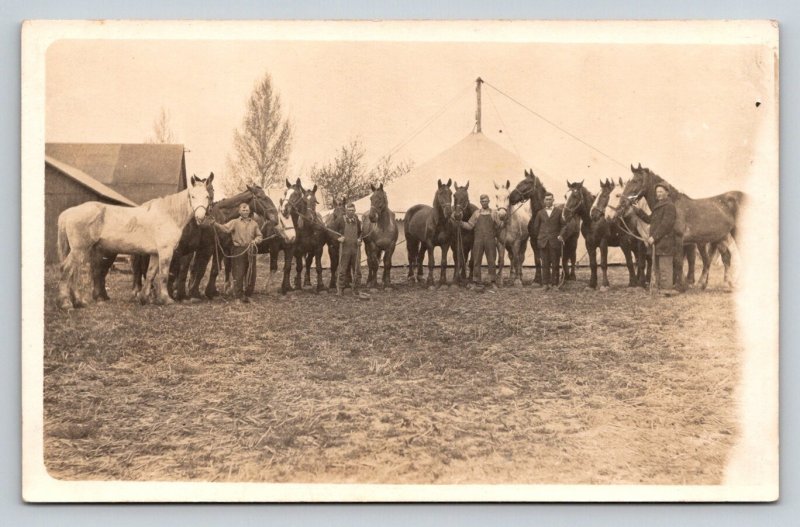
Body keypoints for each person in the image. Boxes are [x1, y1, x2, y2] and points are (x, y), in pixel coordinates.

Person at [210, 202, 262, 303]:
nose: (245, 212)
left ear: (249, 211)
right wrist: (215, 224)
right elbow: (225, 228)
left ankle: (248, 295)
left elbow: (259, 235)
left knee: (251, 274)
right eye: (243, 210)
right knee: (238, 273)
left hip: (251, 250)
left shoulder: (254, 224)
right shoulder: (234, 222)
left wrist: (256, 240)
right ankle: (238, 297)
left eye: (247, 210)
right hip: (238, 250)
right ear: (239, 211)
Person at [634, 182, 678, 296]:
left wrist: (654, 237)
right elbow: (650, 220)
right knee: (657, 266)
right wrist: (638, 211)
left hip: (665, 242)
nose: (658, 194)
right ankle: (659, 289)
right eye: (657, 192)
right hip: (658, 242)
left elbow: (666, 225)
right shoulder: (658, 206)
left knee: (665, 267)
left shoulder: (669, 206)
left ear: (667, 193)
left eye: (661, 192)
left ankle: (666, 290)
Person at [460, 194, 503, 290]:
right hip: (478, 241)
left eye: (486, 201)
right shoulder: (476, 213)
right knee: (476, 261)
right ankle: (476, 282)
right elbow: (470, 225)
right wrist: (461, 223)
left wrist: (503, 221)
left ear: (489, 201)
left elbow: (500, 225)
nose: (484, 203)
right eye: (482, 201)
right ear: (480, 202)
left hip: (490, 240)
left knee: (491, 261)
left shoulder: (494, 213)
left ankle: (493, 282)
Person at [532, 192, 567, 290]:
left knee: (555, 264)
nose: (548, 201)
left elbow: (564, 225)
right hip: (543, 242)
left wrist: (561, 235)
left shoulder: (559, 211)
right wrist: (539, 238)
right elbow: (535, 228)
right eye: (546, 199)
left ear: (553, 200)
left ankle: (555, 284)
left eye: (550, 199)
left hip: (555, 242)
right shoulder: (540, 213)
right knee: (545, 264)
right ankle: (545, 284)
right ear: (544, 201)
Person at [331, 202, 363, 296]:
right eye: (349, 210)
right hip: (344, 248)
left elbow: (361, 233)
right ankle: (340, 290)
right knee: (342, 269)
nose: (351, 212)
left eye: (353, 210)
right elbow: (331, 231)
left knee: (357, 270)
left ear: (355, 211)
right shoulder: (340, 220)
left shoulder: (357, 220)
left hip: (355, 249)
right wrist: (337, 238)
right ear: (346, 211)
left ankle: (356, 289)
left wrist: (360, 239)